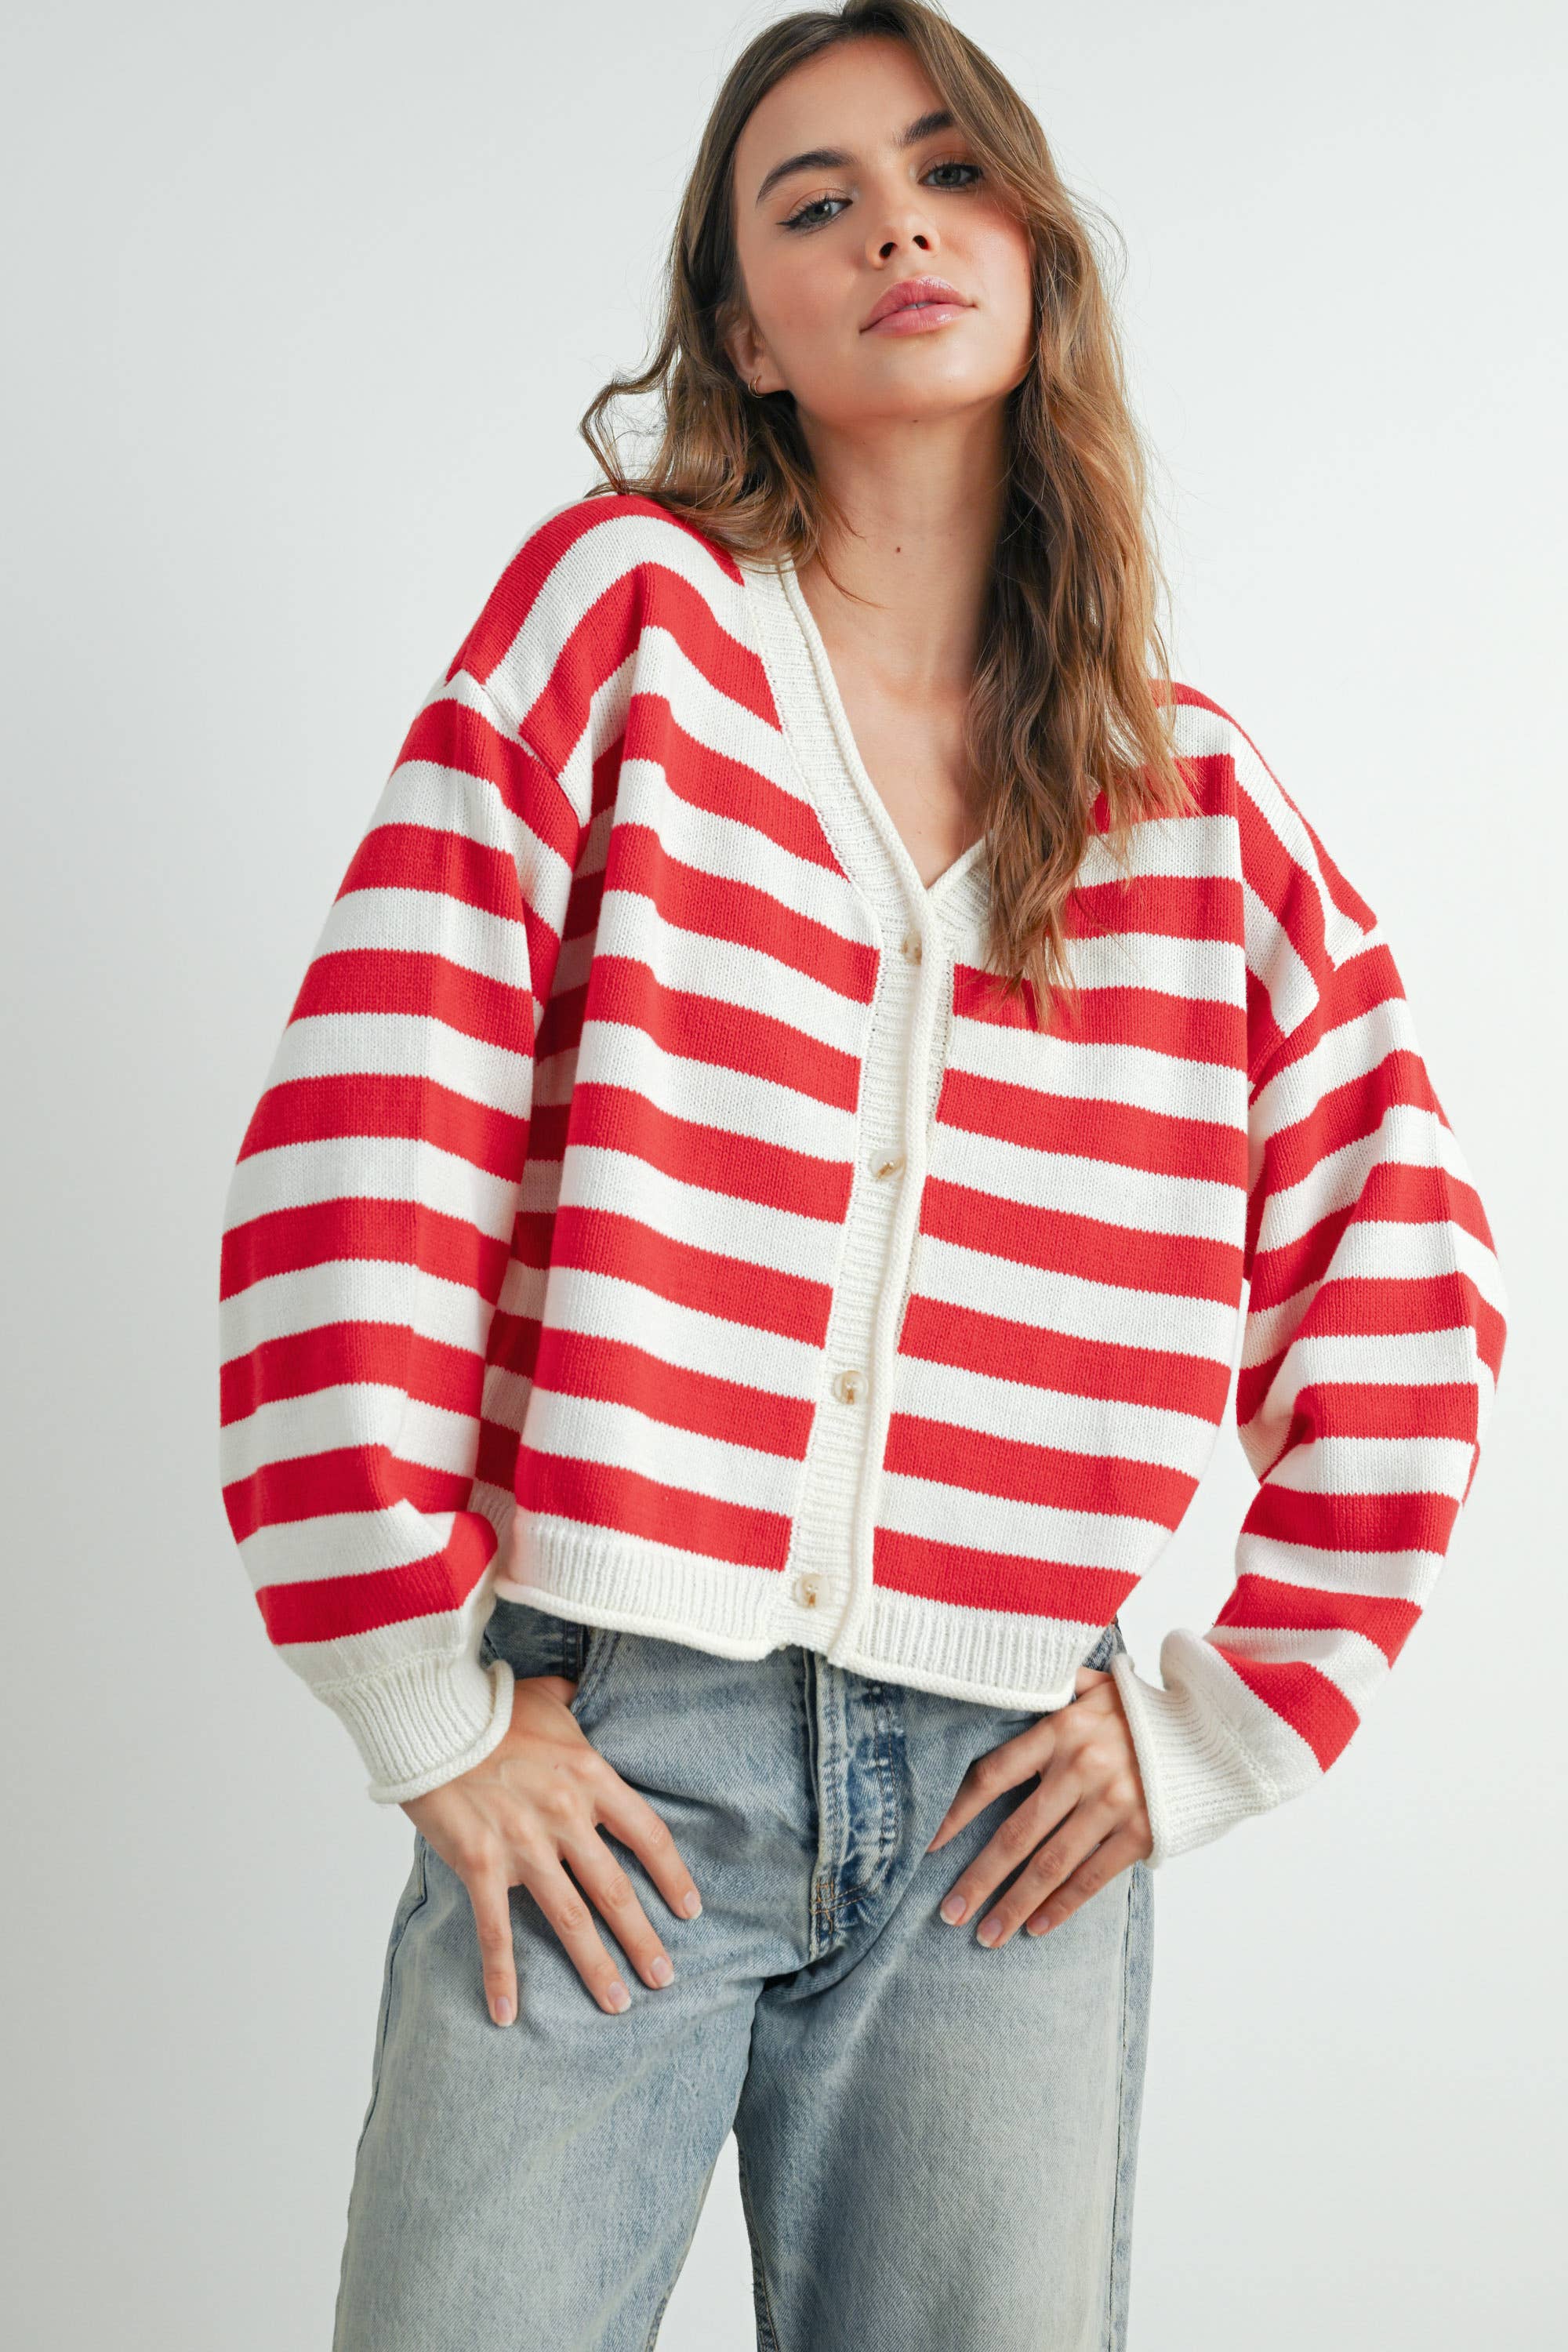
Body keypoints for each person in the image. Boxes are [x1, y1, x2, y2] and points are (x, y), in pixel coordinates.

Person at [216, 5, 1508, 2347]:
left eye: (951, 171)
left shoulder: (1188, 808)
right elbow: (369, 1128)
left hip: (1015, 1822)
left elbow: (1409, 1284)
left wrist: (1229, 1724)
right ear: (747, 331)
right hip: (617, 1756)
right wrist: (415, 1683)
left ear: (1035, 250)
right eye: (815, 203)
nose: (898, 225)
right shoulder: (626, 633)